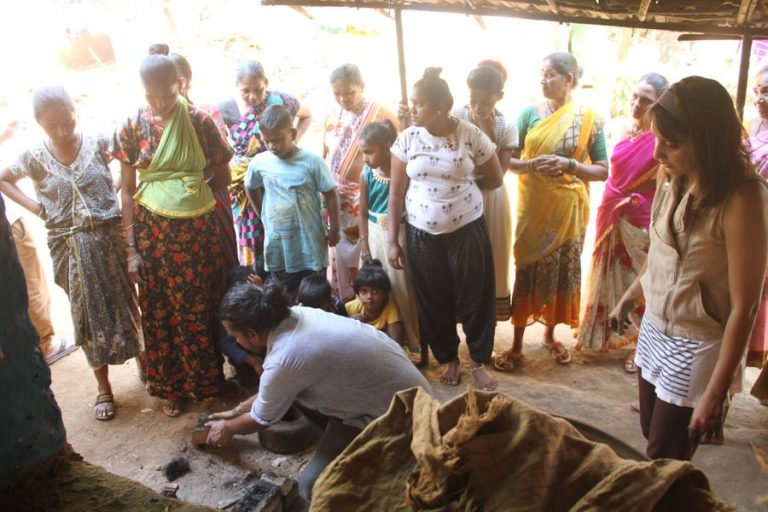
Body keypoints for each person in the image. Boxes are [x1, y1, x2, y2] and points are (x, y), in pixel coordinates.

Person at [609, 76, 768, 460]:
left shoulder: (744, 197)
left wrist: (715, 392)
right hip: (656, 329)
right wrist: (629, 298)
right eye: (657, 139)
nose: (657, 153)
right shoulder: (673, 177)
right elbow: (662, 254)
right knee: (652, 432)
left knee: (666, 451)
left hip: (698, 341)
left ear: (708, 140)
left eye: (672, 144)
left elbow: (745, 306)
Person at [205, 281, 431, 500]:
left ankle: (385, 467)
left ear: (253, 334)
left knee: (313, 486)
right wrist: (236, 411)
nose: (235, 341)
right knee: (300, 398)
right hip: (407, 393)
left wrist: (228, 428)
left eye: (235, 337)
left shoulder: (285, 357)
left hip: (403, 416)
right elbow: (276, 389)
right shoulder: (294, 314)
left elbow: (261, 418)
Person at [0, 86, 143, 420]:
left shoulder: (97, 142)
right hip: (70, 248)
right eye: (53, 127)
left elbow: (128, 162)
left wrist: (120, 188)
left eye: (68, 121)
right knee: (85, 315)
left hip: (110, 242)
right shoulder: (35, 156)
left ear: (74, 110)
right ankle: (104, 387)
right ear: (40, 125)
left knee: (127, 304)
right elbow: (4, 179)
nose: (63, 131)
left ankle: (145, 366)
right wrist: (36, 207)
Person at [112, 54, 233, 417]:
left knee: (198, 304)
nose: (161, 104)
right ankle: (170, 387)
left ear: (179, 85)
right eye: (153, 98)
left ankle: (206, 381)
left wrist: (190, 188)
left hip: (196, 233)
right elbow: (128, 190)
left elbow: (223, 176)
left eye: (166, 95)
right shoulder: (132, 125)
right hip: (153, 233)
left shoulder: (198, 121)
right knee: (159, 308)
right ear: (144, 92)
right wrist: (131, 248)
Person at [388, 67, 503, 391]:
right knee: (433, 298)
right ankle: (449, 357)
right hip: (422, 233)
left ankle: (479, 360)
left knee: (475, 297)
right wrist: (393, 243)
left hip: (467, 228)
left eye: (419, 103)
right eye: (412, 102)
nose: (412, 109)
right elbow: (396, 192)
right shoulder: (407, 138)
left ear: (440, 106)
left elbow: (494, 178)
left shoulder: (469, 134)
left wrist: (461, 185)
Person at [494, 52, 609, 372]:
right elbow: (508, 162)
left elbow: (602, 170)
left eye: (549, 75)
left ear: (568, 79)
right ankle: (516, 345)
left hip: (568, 210)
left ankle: (549, 334)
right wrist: (531, 164)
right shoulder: (529, 114)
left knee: (561, 271)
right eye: (541, 75)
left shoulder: (590, 118)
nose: (542, 81)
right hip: (534, 207)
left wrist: (570, 165)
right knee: (528, 267)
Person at [576, 73, 668, 373]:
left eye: (646, 100)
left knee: (637, 281)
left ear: (659, 105)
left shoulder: (662, 141)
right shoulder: (625, 130)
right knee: (609, 273)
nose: (637, 104)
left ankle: (640, 346)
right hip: (612, 209)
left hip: (638, 216)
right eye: (635, 97)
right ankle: (603, 333)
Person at [151, 45, 240, 270]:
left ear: (185, 81)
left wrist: (193, 195)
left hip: (210, 196)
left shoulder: (206, 115)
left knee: (220, 264)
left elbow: (222, 169)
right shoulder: (151, 123)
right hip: (172, 208)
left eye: (176, 81)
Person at [219, 60, 311, 273]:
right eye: (245, 91)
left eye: (258, 89)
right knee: (252, 236)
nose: (252, 96)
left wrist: (293, 143)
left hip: (278, 178)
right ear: (236, 86)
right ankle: (257, 281)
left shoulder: (281, 101)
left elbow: (306, 116)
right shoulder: (226, 109)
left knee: (281, 230)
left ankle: (283, 280)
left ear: (266, 83)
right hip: (245, 185)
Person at [244, 105, 340, 298]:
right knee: (283, 296)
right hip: (278, 244)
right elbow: (250, 186)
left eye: (278, 140)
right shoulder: (260, 162)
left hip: (309, 242)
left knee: (314, 294)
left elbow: (331, 194)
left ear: (293, 133)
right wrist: (262, 213)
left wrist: (335, 227)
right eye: (267, 141)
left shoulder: (312, 162)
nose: (272, 146)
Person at [323, 64, 400, 301]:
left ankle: (370, 303)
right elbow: (326, 150)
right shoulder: (333, 115)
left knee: (364, 253)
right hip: (338, 198)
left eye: (349, 92)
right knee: (341, 253)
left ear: (362, 87)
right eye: (337, 94)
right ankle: (347, 300)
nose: (343, 98)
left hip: (366, 196)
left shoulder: (380, 114)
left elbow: (398, 152)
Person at [452, 60, 518, 321]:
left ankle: (485, 327)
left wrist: (487, 129)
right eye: (473, 100)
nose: (478, 108)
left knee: (490, 259)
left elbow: (497, 177)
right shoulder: (456, 116)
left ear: (499, 97)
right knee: (462, 260)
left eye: (486, 102)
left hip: (491, 200)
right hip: (459, 199)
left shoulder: (506, 127)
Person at [357, 120, 420, 354]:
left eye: (369, 152)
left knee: (402, 289)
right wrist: (364, 247)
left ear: (388, 147)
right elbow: (362, 214)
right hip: (374, 239)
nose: (365, 158)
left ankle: (412, 341)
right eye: (363, 152)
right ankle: (384, 345)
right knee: (378, 289)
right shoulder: (367, 175)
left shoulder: (403, 172)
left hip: (399, 237)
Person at [746, 65, 768, 372]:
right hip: (748, 221)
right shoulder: (753, 126)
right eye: (758, 90)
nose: (761, 98)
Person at [346, 259, 404, 344]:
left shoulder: (390, 310)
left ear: (385, 295)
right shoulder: (350, 307)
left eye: (375, 292)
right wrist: (349, 321)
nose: (369, 297)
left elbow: (396, 344)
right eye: (364, 292)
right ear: (358, 294)